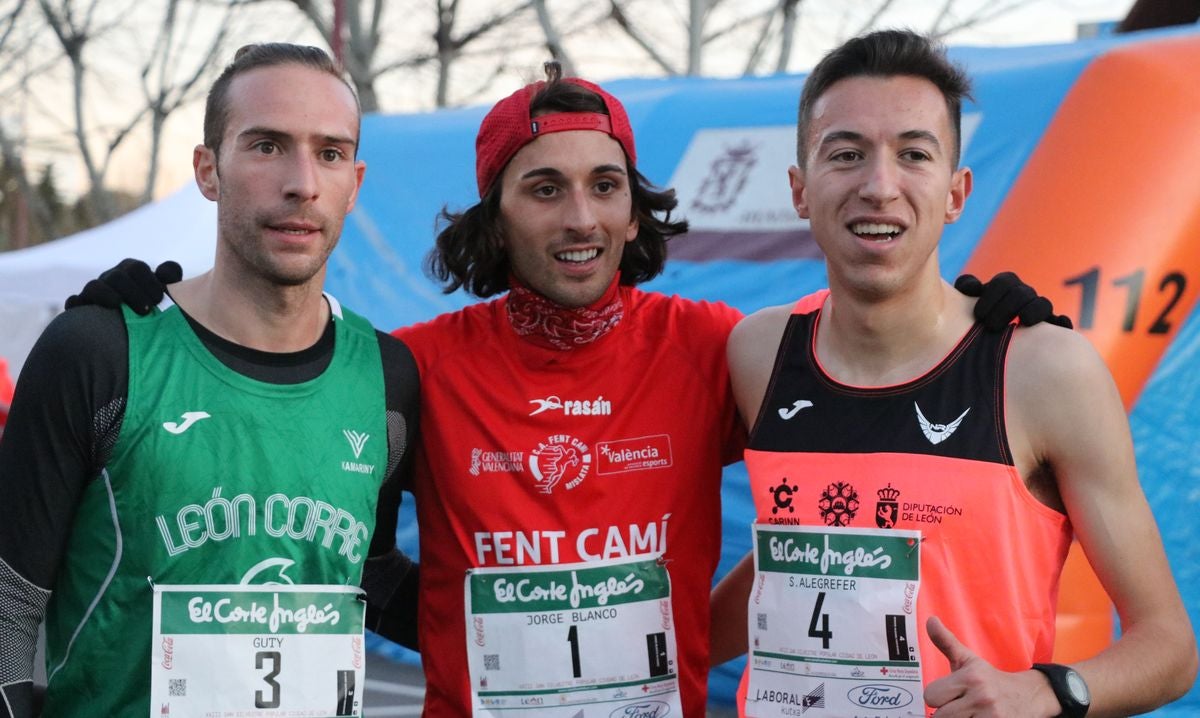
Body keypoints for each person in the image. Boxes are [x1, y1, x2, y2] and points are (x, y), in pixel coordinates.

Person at [63, 63, 1059, 716]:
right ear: (494, 216)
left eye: (605, 184)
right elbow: (322, 528)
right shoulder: (408, 364)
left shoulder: (716, 347)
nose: (579, 216)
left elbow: (874, 370)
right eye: (544, 188)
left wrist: (975, 315)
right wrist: (145, 327)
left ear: (635, 209)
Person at [709, 29, 1197, 717]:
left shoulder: (1043, 371)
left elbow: (1170, 648)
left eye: (914, 154)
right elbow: (807, 552)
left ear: (955, 192)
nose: (880, 186)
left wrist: (1049, 690)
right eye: (845, 155)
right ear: (799, 189)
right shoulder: (758, 353)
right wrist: (663, 644)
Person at [0, 43, 420, 718]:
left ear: (356, 182)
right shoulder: (99, 352)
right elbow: (9, 601)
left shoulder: (387, 376)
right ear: (207, 169)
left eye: (330, 153)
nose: (302, 182)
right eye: (266, 146)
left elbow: (367, 571)